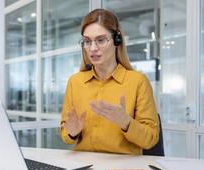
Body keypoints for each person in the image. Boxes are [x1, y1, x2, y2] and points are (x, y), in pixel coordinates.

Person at [60, 8, 159, 155]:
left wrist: (126, 123)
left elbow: (151, 139)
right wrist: (72, 133)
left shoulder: (138, 81)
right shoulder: (75, 82)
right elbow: (65, 135)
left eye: (100, 40)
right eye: (87, 41)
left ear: (116, 41)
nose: (93, 48)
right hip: (84, 168)